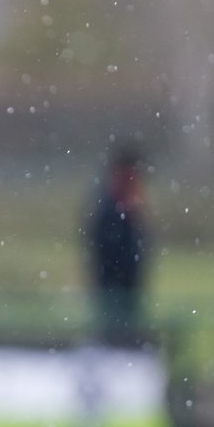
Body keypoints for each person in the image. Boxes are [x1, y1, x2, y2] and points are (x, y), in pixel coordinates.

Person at [82, 145, 149, 345]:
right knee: (113, 336)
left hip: (124, 292)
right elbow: (109, 250)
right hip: (113, 291)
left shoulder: (123, 204)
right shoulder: (109, 206)